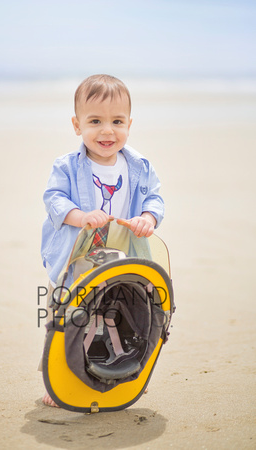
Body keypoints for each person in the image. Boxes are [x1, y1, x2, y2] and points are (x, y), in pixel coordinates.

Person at [40, 74, 165, 406]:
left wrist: (148, 218)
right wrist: (80, 217)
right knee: (67, 308)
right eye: (95, 121)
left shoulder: (138, 165)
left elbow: (154, 198)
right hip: (79, 252)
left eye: (117, 121)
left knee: (115, 308)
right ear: (77, 125)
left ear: (129, 124)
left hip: (122, 251)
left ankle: (122, 365)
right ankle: (56, 370)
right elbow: (53, 198)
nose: (107, 130)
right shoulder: (67, 166)